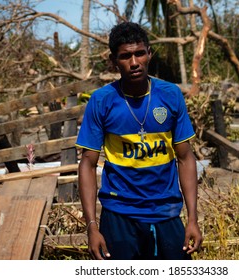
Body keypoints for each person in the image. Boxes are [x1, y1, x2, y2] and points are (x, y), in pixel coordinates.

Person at [76, 22, 202, 260]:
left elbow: (185, 158)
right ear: (114, 61)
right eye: (125, 56)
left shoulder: (170, 95)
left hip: (166, 213)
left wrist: (193, 219)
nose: (134, 62)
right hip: (119, 215)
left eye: (139, 53)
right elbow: (88, 164)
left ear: (149, 54)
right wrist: (92, 226)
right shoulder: (102, 101)